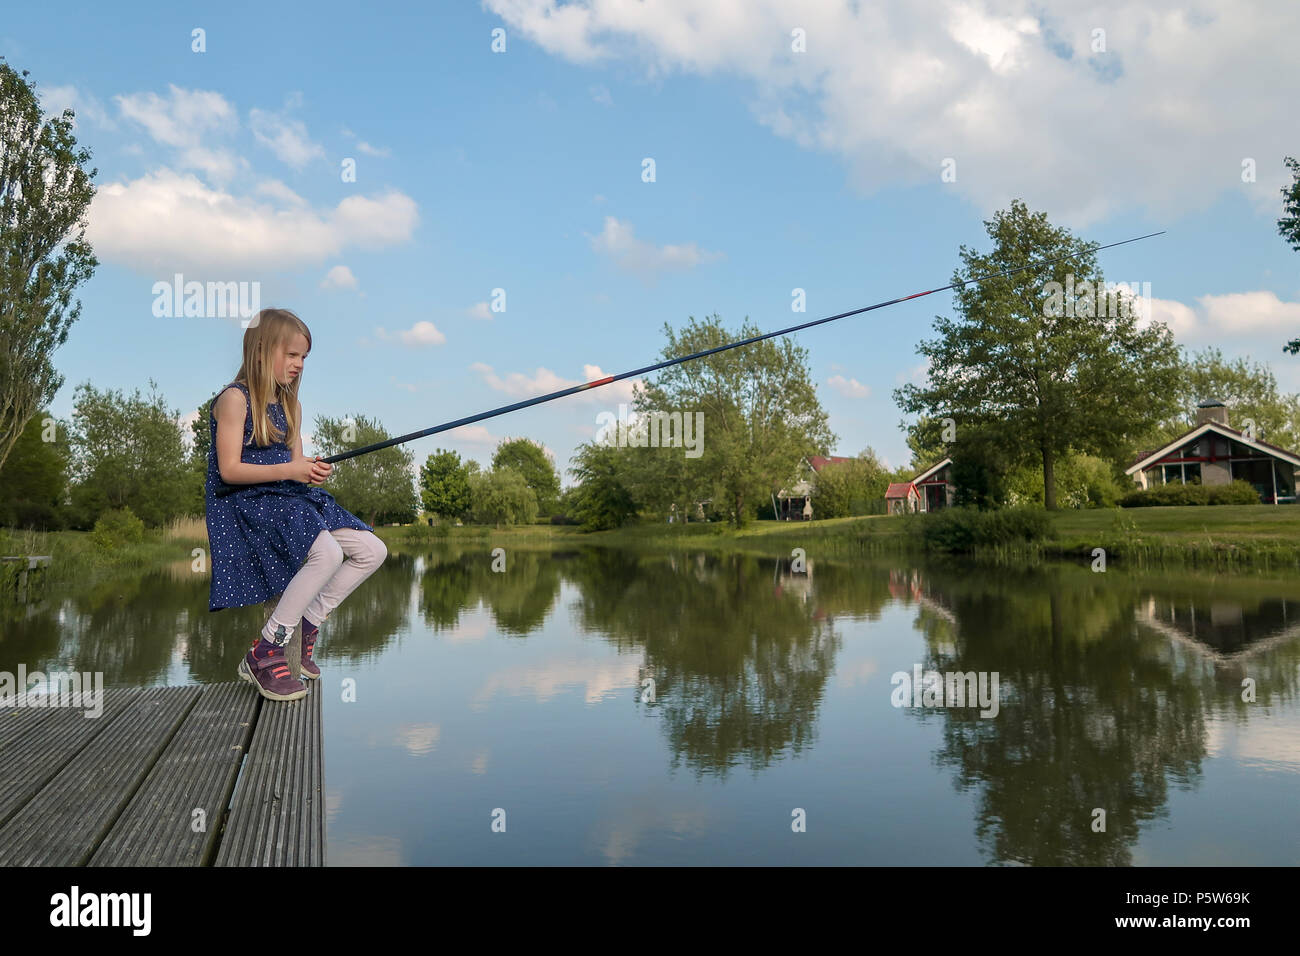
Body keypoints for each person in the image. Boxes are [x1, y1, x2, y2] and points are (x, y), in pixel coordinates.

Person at [206, 308, 387, 701]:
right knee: (326, 551)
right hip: (246, 501)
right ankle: (266, 649)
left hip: (287, 497)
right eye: (291, 355)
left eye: (303, 357)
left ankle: (308, 620)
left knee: (372, 549)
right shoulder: (234, 400)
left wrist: (310, 472)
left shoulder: (291, 406)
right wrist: (291, 468)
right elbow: (229, 470)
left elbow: (295, 466)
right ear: (260, 351)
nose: (298, 364)